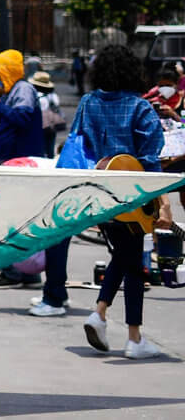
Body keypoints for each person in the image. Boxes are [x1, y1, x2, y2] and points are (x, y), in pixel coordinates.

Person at [62, 45, 168, 358]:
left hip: (98, 189)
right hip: (133, 194)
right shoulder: (140, 108)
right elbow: (151, 161)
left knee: (125, 256)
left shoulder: (87, 102)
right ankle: (130, 336)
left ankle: (103, 314)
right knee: (132, 262)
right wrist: (164, 204)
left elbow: (77, 142)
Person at [29, 67, 65, 157]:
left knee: (39, 147)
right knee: (50, 146)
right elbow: (56, 105)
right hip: (51, 124)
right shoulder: (52, 96)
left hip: (39, 125)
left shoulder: (34, 96)